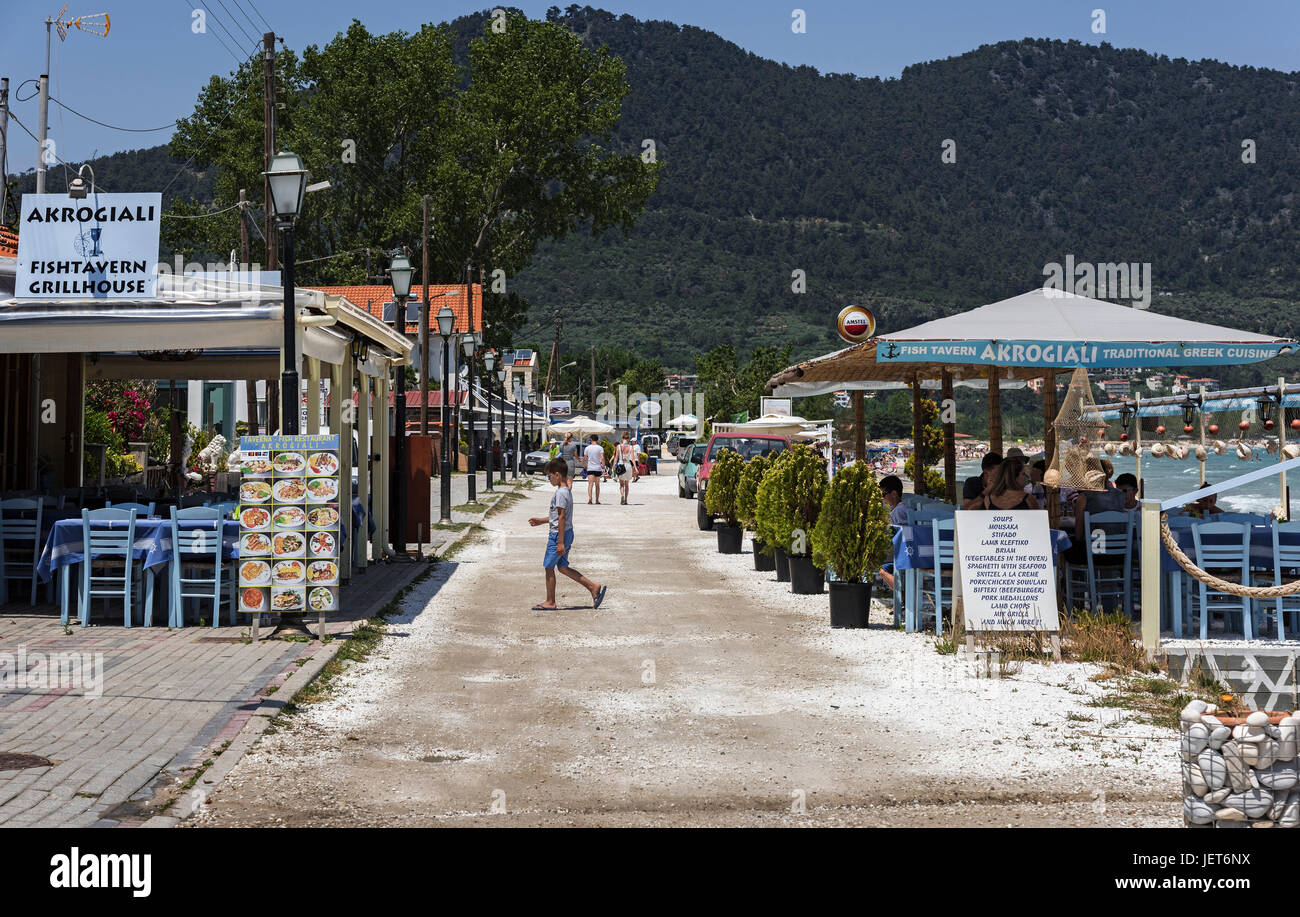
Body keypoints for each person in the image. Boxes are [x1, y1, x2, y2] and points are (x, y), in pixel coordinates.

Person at [528, 458, 606, 611]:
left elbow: (562, 517)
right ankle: (593, 587)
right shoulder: (565, 491)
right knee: (562, 567)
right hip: (566, 532)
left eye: (549, 476)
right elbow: (558, 517)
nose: (548, 479)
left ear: (557, 475)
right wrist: (542, 521)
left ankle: (550, 602)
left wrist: (560, 542)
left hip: (559, 535)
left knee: (549, 567)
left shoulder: (561, 493)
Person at [614, 431, 637, 505]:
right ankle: (626, 500)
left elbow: (616, 457)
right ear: (628, 438)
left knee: (621, 484)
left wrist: (614, 466)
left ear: (622, 437)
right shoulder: (631, 447)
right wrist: (635, 468)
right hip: (628, 466)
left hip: (621, 466)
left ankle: (622, 495)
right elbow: (633, 459)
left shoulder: (618, 446)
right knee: (627, 484)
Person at [583, 434, 606, 504]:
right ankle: (597, 500)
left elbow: (584, 458)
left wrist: (584, 466)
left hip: (590, 468)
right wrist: (603, 466)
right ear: (597, 439)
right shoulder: (600, 448)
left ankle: (590, 499)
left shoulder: (587, 448)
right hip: (598, 468)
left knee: (590, 484)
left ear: (591, 439)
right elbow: (602, 458)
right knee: (597, 485)